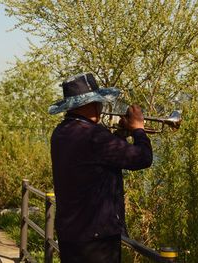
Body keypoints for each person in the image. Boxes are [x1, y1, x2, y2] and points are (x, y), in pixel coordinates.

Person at [48, 73, 153, 263]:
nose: (102, 106)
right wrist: (138, 129)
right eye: (99, 101)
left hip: (70, 233)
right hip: (97, 238)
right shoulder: (95, 136)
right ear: (89, 104)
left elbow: (97, 160)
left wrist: (120, 133)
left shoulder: (60, 132)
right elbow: (143, 159)